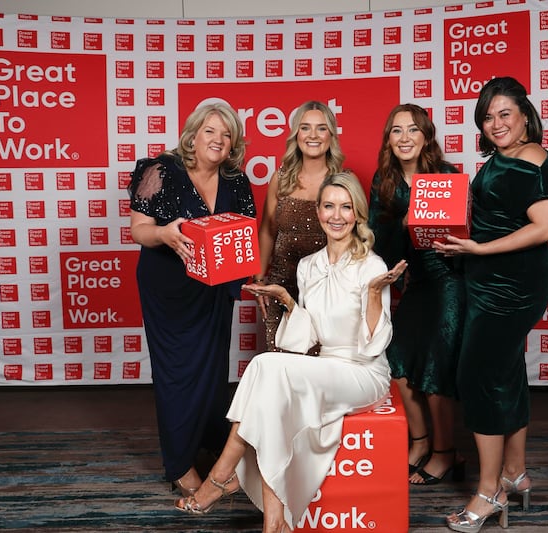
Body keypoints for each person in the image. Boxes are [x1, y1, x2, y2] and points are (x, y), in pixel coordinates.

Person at [174, 172, 408, 533]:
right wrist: (289, 303)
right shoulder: (308, 266)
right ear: (318, 211)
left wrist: (375, 295)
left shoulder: (372, 266)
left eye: (346, 207)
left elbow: (374, 347)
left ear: (358, 214)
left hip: (363, 374)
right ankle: (274, 522)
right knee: (271, 395)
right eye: (329, 206)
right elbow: (309, 338)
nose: (337, 215)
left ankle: (221, 477)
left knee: (266, 369)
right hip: (325, 367)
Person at [434, 77, 548, 532]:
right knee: (506, 373)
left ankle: (488, 493)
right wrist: (464, 245)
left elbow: (547, 227)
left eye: (504, 113)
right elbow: (497, 220)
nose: (496, 123)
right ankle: (514, 472)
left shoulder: (532, 159)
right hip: (489, 282)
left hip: (512, 285)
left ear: (525, 114)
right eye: (488, 117)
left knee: (479, 377)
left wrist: (480, 250)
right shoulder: (505, 158)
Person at [128, 103, 256, 498]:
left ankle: (207, 443)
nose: (218, 140)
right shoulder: (160, 170)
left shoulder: (236, 180)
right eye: (210, 131)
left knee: (212, 373)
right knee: (177, 376)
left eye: (227, 134)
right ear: (192, 135)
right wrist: (165, 234)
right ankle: (180, 464)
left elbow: (243, 233)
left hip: (215, 291)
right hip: (169, 290)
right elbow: (139, 230)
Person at [368, 103, 466, 485]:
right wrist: (405, 223)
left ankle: (445, 454)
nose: (404, 137)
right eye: (396, 131)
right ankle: (421, 442)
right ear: (389, 140)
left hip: (451, 280)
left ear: (426, 135)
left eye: (412, 130)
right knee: (399, 361)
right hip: (416, 281)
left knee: (435, 367)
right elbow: (382, 246)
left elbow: (466, 232)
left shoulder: (446, 175)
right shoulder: (384, 182)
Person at [254, 101, 345, 351]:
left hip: (327, 289)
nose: (313, 135)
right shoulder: (280, 178)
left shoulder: (342, 181)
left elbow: (355, 237)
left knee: (319, 371)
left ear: (331, 135)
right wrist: (260, 280)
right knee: (280, 367)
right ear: (297, 134)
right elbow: (268, 230)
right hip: (281, 284)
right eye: (305, 128)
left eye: (321, 128)